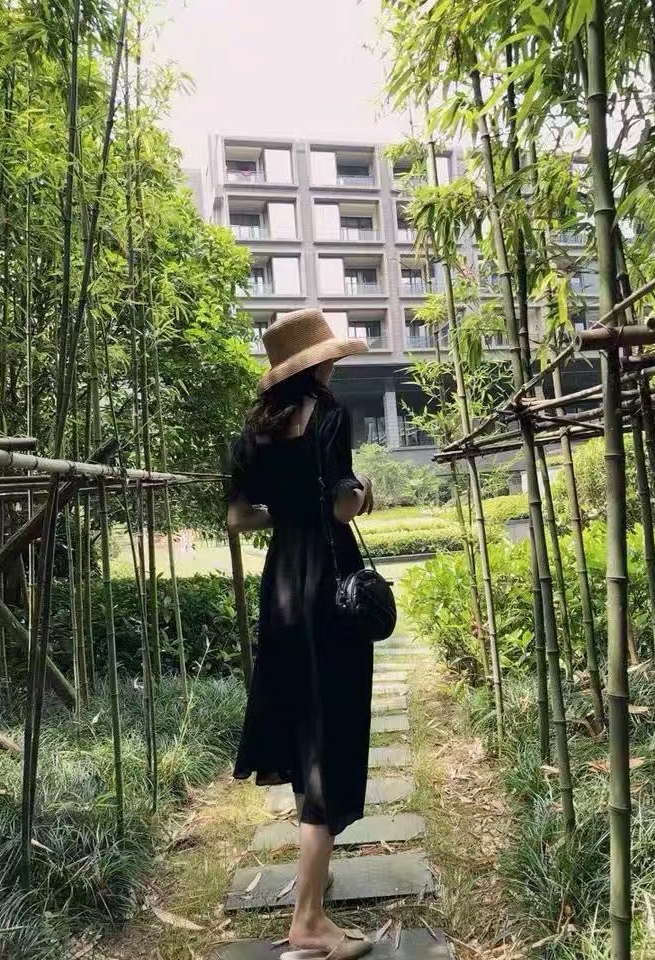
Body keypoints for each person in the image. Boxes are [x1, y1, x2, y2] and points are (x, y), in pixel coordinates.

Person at [227, 309, 375, 960]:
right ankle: (308, 921)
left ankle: (316, 876)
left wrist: (285, 513)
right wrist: (362, 493)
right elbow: (343, 503)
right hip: (328, 584)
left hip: (282, 583)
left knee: (301, 723)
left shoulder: (254, 431)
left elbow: (237, 518)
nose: (334, 366)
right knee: (330, 735)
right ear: (314, 365)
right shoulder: (331, 416)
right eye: (329, 358)